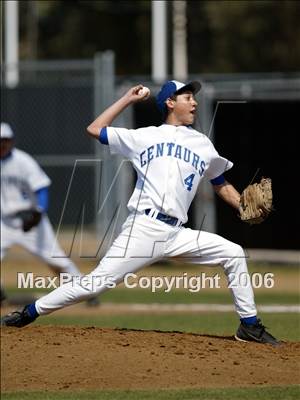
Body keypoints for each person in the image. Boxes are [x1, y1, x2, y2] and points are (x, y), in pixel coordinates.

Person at [1, 82, 279, 345]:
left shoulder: (202, 144)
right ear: (170, 103)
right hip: (143, 229)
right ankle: (29, 312)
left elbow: (220, 183)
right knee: (93, 286)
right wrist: (127, 99)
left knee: (233, 253)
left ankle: (249, 326)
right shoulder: (144, 136)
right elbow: (95, 128)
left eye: (194, 97)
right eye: (187, 97)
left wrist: (242, 203)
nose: (194, 102)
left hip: (177, 233)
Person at [0, 122, 99, 306]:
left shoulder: (23, 161)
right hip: (4, 222)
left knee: (56, 260)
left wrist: (38, 212)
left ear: (11, 141)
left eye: (5, 140)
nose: (2, 144)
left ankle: (87, 292)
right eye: (0, 141)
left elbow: (41, 188)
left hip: (30, 219)